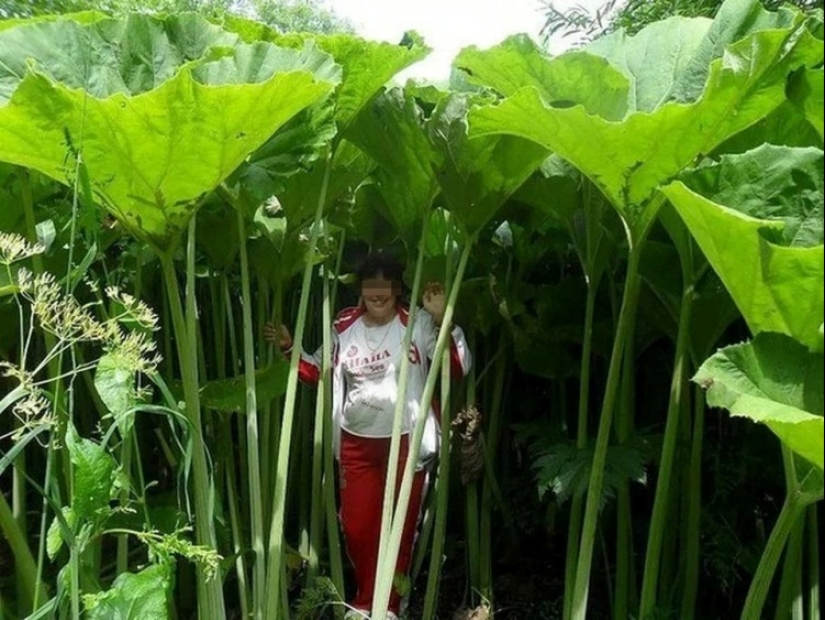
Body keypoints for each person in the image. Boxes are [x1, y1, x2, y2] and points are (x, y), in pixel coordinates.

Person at [265, 251, 472, 619]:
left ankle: (386, 608)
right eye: (370, 287)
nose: (378, 295)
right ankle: (367, 601)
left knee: (399, 528)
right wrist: (287, 346)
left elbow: (454, 368)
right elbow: (317, 371)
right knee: (358, 528)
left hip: (407, 442)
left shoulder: (418, 322)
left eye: (385, 288)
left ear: (397, 289)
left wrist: (442, 318)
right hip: (355, 444)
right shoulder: (344, 325)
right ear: (361, 290)